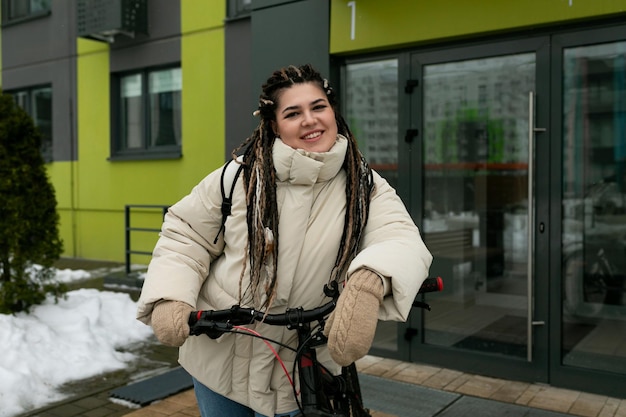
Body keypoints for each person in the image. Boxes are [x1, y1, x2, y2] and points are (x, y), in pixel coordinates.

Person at [136, 64, 432, 417]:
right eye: (293, 112)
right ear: (274, 124)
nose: (310, 120)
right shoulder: (239, 176)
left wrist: (369, 283)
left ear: (333, 111)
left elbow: (399, 239)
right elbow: (186, 235)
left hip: (301, 370)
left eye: (318, 107)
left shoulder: (364, 184)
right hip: (218, 358)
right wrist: (171, 295)